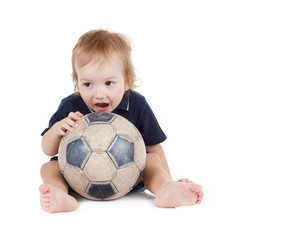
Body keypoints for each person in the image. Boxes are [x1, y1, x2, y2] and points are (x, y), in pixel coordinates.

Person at [39, 29, 204, 213]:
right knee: (49, 167)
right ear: (77, 83)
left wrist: (170, 178)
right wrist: (56, 130)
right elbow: (47, 150)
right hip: (75, 180)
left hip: (129, 179)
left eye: (109, 83)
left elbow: (155, 146)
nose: (98, 93)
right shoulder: (71, 105)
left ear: (127, 81)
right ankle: (60, 194)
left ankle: (165, 189)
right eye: (87, 84)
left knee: (152, 160)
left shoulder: (137, 104)